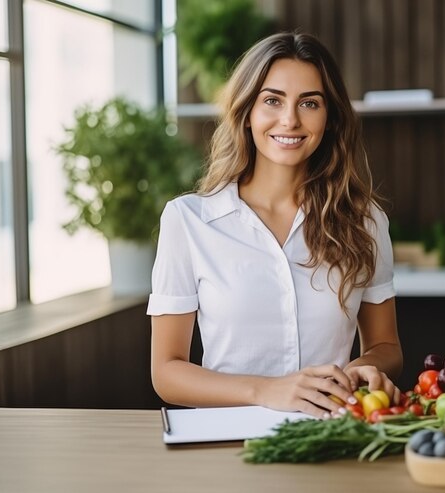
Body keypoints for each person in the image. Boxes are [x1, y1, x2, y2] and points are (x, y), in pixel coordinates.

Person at [147, 31, 403, 419]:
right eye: (272, 100)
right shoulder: (188, 221)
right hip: (225, 443)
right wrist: (268, 391)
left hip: (329, 434)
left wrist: (359, 371)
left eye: (310, 103)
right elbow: (166, 372)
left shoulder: (365, 220)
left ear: (330, 117)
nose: (290, 120)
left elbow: (386, 345)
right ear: (247, 112)